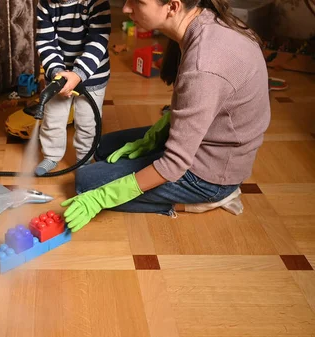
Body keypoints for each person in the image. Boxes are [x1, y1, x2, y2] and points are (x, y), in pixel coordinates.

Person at [60, 0, 271, 232]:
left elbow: (173, 165)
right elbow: (201, 107)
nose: (127, 9)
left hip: (210, 174)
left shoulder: (205, 65)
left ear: (172, 6)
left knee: (86, 183)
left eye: (137, 2)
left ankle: (206, 200)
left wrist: (100, 197)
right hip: (206, 140)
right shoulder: (202, 23)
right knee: (100, 148)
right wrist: (153, 137)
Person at [34, 0, 112, 176]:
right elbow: (46, 42)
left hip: (92, 74)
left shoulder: (96, 3)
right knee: (52, 118)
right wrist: (57, 72)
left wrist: (78, 74)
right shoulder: (45, 5)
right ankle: (51, 156)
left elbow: (98, 42)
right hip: (59, 76)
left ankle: (84, 158)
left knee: (87, 122)